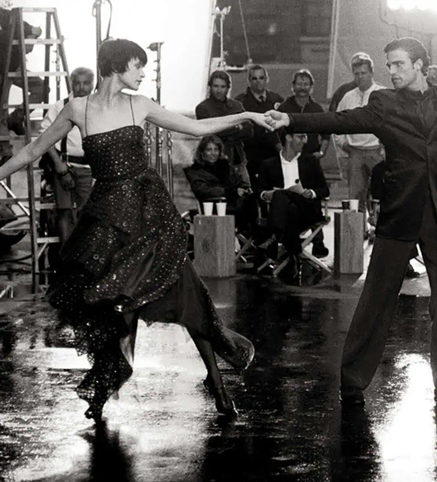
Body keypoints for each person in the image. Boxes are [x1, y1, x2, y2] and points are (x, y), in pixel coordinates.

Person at [0, 39, 273, 423]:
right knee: (113, 304)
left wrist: (247, 117)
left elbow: (197, 128)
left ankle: (216, 382)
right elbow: (32, 151)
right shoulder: (78, 109)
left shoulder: (139, 104)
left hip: (151, 214)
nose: (143, 73)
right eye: (137, 65)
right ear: (116, 66)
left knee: (188, 294)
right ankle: (106, 382)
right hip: (109, 218)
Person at [265, 37, 437, 407]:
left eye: (398, 64)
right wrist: (290, 119)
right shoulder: (384, 103)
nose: (391, 72)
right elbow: (342, 121)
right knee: (377, 299)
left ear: (419, 65)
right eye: (389, 65)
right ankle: (352, 380)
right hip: (400, 212)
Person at [258, 130, 330, 277]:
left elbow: (324, 190)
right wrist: (266, 194)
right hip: (286, 213)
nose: (305, 141)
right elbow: (259, 191)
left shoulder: (310, 161)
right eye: (301, 137)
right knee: (288, 207)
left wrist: (310, 193)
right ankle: (293, 255)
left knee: (282, 195)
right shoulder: (268, 164)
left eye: (305, 137)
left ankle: (274, 237)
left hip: (306, 211)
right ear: (288, 138)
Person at [39, 67, 96, 245]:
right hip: (64, 166)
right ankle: (66, 256)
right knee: (64, 212)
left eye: (86, 83)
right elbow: (45, 137)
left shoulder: (99, 107)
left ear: (92, 84)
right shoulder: (59, 107)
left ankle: (84, 255)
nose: (81, 88)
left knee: (88, 212)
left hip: (89, 169)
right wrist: (59, 166)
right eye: (77, 83)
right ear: (71, 84)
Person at [335, 53, 386, 214]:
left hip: (377, 153)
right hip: (354, 152)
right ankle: (357, 228)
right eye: (356, 73)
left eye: (363, 73)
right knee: (355, 199)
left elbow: (393, 124)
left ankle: (378, 225)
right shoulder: (348, 97)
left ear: (371, 73)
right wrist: (343, 145)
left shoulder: (383, 94)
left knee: (381, 195)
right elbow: (337, 124)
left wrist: (386, 147)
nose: (360, 77)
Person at [184, 135, 258, 233]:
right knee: (249, 204)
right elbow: (203, 191)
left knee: (254, 196)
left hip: (233, 203)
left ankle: (254, 232)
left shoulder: (226, 167)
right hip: (214, 207)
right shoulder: (195, 171)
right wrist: (229, 192)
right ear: (202, 152)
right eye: (209, 150)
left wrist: (243, 188)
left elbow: (238, 182)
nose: (213, 153)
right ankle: (252, 232)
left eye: (216, 149)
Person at [195, 70, 251, 185]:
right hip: (214, 162)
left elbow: (249, 130)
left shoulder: (236, 105)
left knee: (245, 191)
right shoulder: (202, 108)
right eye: (216, 86)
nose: (219, 90)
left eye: (222, 86)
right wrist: (236, 127)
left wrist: (225, 130)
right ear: (210, 86)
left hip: (237, 160)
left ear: (228, 88)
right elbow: (212, 132)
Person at [0, 8, 43, 156]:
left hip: (13, 65)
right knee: (1, 110)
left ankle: (16, 117)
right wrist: (30, 31)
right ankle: (6, 152)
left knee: (41, 88)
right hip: (2, 69)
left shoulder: (5, 15)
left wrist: (30, 34)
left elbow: (13, 19)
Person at [234, 65, 284, 186]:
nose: (258, 81)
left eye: (261, 78)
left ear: (267, 79)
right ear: (249, 80)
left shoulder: (276, 99)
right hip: (249, 155)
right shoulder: (240, 102)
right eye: (254, 78)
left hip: (273, 154)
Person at [277, 69, 331, 159]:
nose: (302, 87)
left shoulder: (317, 109)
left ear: (311, 87)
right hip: (288, 158)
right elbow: (274, 134)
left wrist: (321, 152)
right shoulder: (284, 108)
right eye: (299, 84)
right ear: (293, 86)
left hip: (311, 158)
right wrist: (281, 152)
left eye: (306, 84)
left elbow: (326, 134)